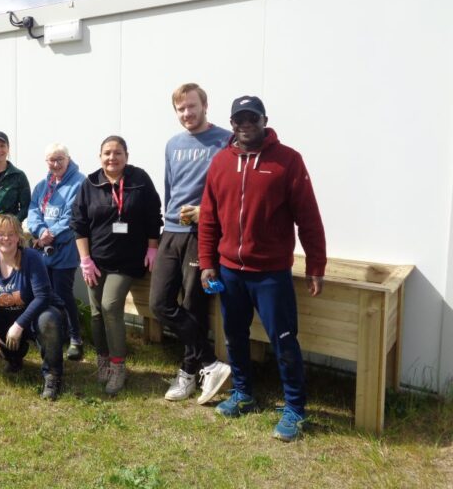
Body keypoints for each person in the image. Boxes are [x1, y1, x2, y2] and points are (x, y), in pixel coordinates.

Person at [198, 95, 326, 442]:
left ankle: (295, 409)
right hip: (229, 272)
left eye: (252, 118)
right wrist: (208, 263)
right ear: (232, 123)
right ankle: (243, 393)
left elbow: (308, 217)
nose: (245, 125)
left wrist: (316, 264)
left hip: (271, 274)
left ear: (264, 120)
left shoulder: (288, 161)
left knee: (283, 341)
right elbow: (208, 217)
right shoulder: (221, 162)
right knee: (234, 336)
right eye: (239, 119)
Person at [149, 83, 232, 404]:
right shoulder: (173, 144)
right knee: (160, 303)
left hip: (205, 233)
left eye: (192, 107)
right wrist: (170, 220)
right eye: (181, 109)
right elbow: (171, 188)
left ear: (205, 105)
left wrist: (204, 212)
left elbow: (233, 193)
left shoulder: (225, 141)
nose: (187, 113)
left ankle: (187, 374)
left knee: (194, 306)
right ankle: (210, 363)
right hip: (173, 230)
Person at [71, 135, 162, 395]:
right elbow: (79, 223)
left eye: (118, 153)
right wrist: (85, 259)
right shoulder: (89, 183)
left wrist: (153, 247)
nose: (112, 158)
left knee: (110, 306)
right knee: (97, 311)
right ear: (100, 157)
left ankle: (118, 366)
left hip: (128, 260)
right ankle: (103, 361)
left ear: (127, 156)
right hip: (97, 261)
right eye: (107, 153)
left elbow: (153, 215)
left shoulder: (139, 179)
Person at [0, 214, 65, 400]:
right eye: (1, 234)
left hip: (35, 318)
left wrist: (19, 325)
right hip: (4, 319)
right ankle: (14, 355)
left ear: (19, 237)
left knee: (48, 319)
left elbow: (43, 296)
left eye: (11, 234)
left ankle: (52, 375)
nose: (6, 238)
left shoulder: (31, 258)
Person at [27, 143, 86, 361]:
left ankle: (75, 339)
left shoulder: (79, 183)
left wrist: (51, 234)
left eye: (60, 159)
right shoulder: (43, 184)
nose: (56, 164)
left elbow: (73, 217)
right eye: (51, 160)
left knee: (63, 295)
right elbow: (33, 210)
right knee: (44, 294)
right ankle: (52, 335)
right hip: (44, 252)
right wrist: (41, 231)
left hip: (65, 252)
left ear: (68, 159)